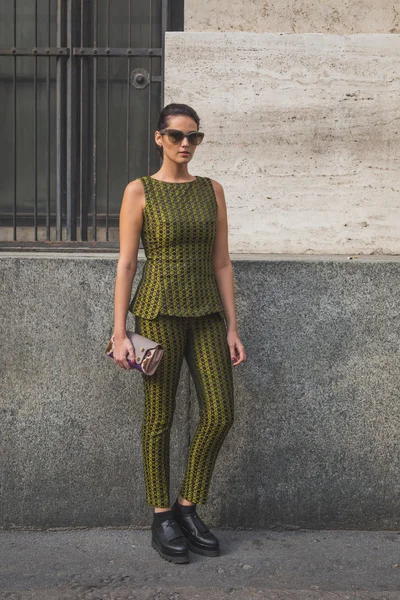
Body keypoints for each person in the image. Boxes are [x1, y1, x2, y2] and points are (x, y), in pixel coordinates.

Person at [112, 102, 246, 564]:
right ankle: (161, 516)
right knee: (159, 419)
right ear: (159, 138)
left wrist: (233, 326)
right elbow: (127, 263)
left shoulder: (212, 190)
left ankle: (188, 506)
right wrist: (119, 331)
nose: (185, 144)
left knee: (221, 412)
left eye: (194, 137)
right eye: (176, 136)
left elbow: (222, 262)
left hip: (207, 315)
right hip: (157, 315)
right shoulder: (140, 191)